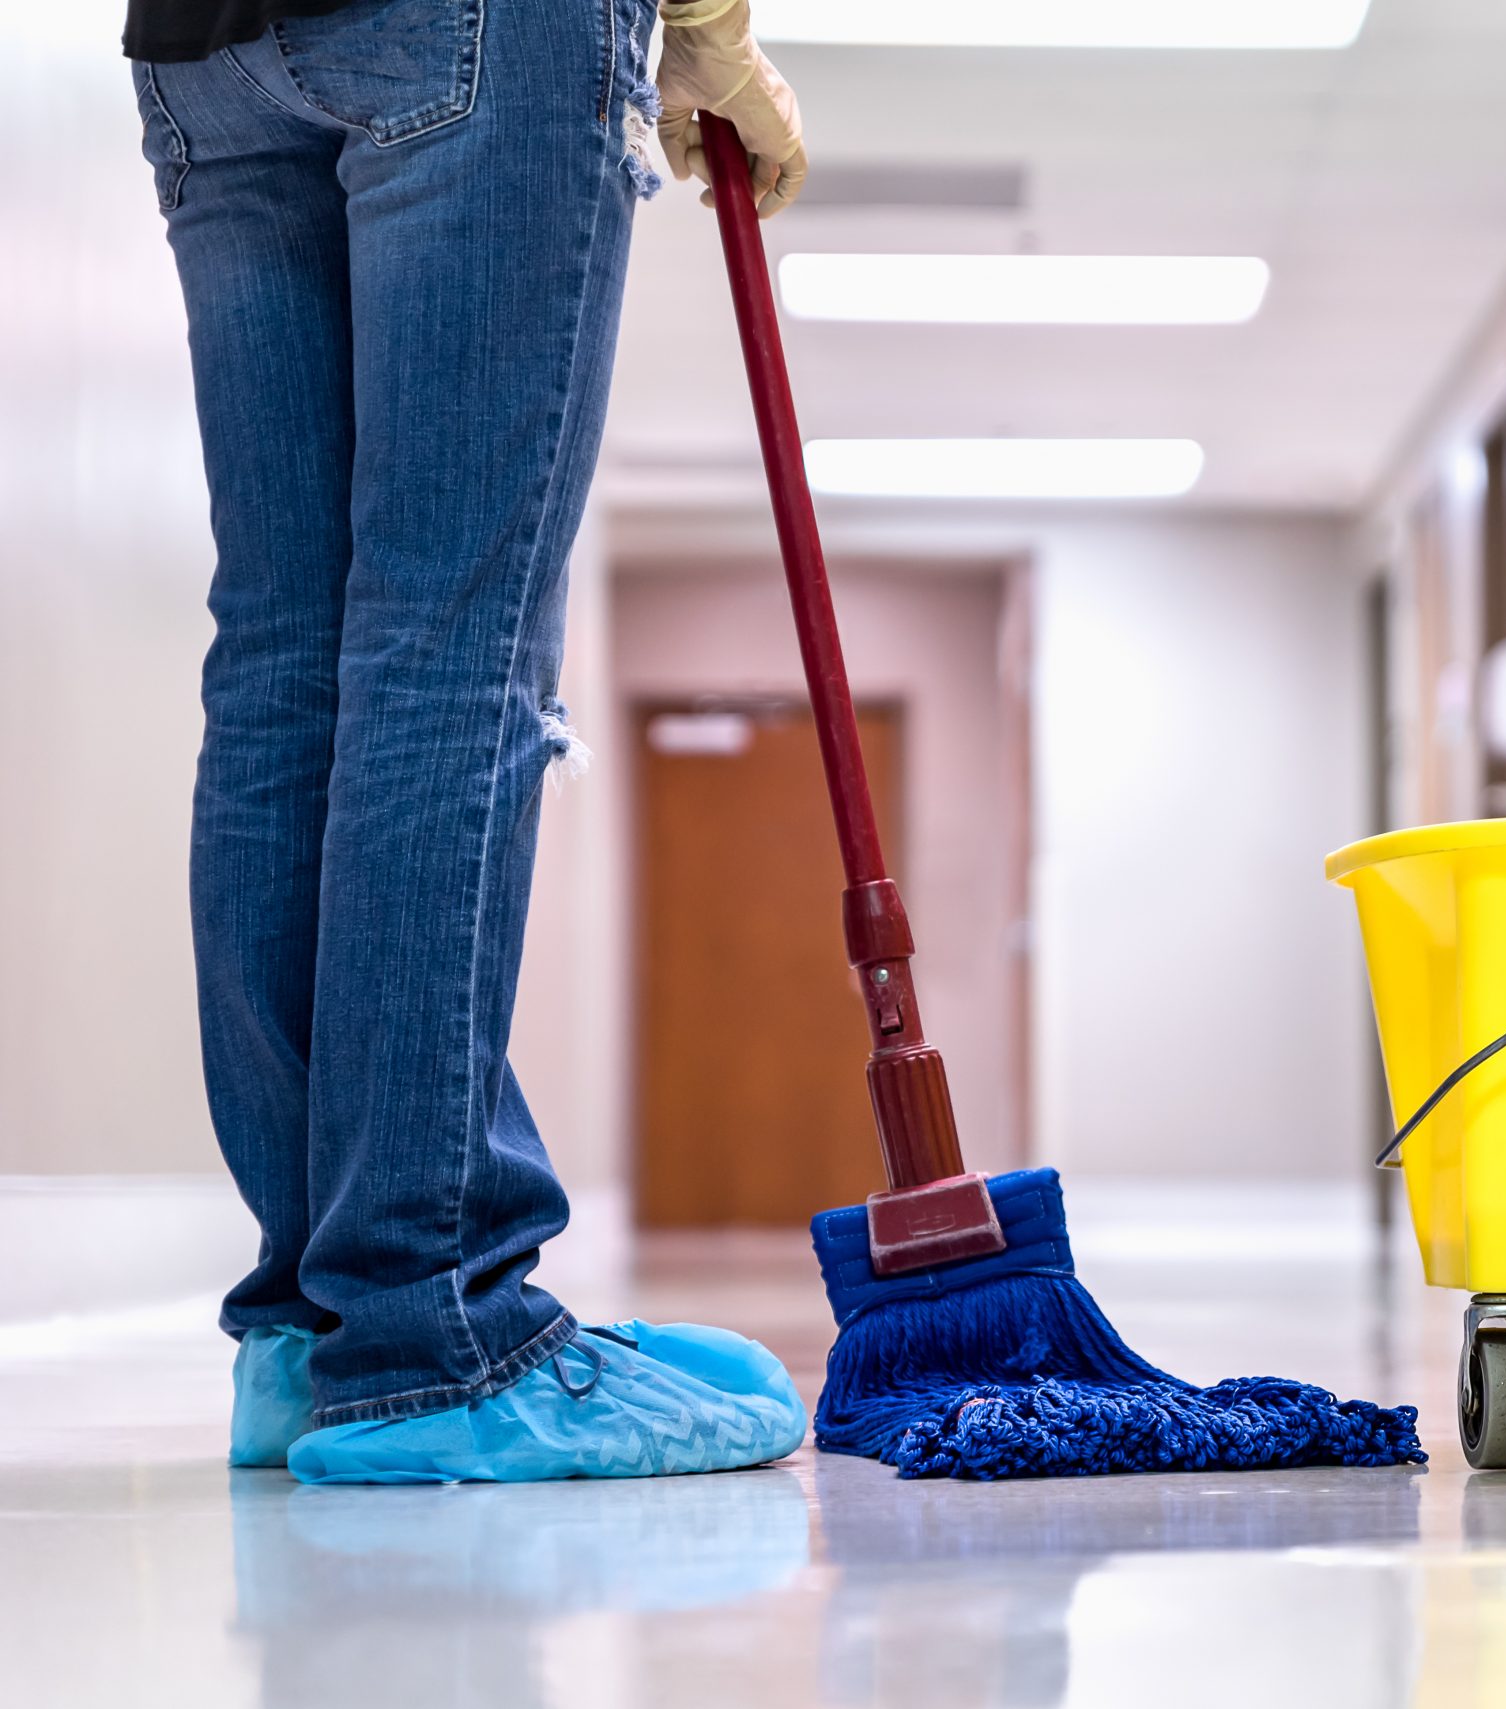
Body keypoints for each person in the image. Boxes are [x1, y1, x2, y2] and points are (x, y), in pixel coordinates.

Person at [124, 0, 812, 1483]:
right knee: (451, 644)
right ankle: (433, 1327)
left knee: (285, 664)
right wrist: (703, 25)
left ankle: (313, 1334)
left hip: (196, 51)